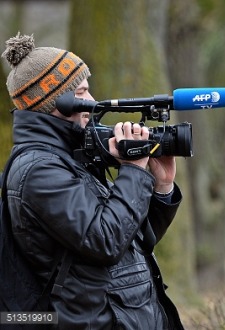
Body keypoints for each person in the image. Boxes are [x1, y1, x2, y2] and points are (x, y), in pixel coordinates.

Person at [1, 33, 185, 329]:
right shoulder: (39, 171)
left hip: (125, 316)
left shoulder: (72, 158)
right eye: (83, 91)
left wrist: (160, 187)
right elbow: (105, 241)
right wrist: (134, 171)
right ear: (58, 100)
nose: (91, 100)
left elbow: (132, 240)